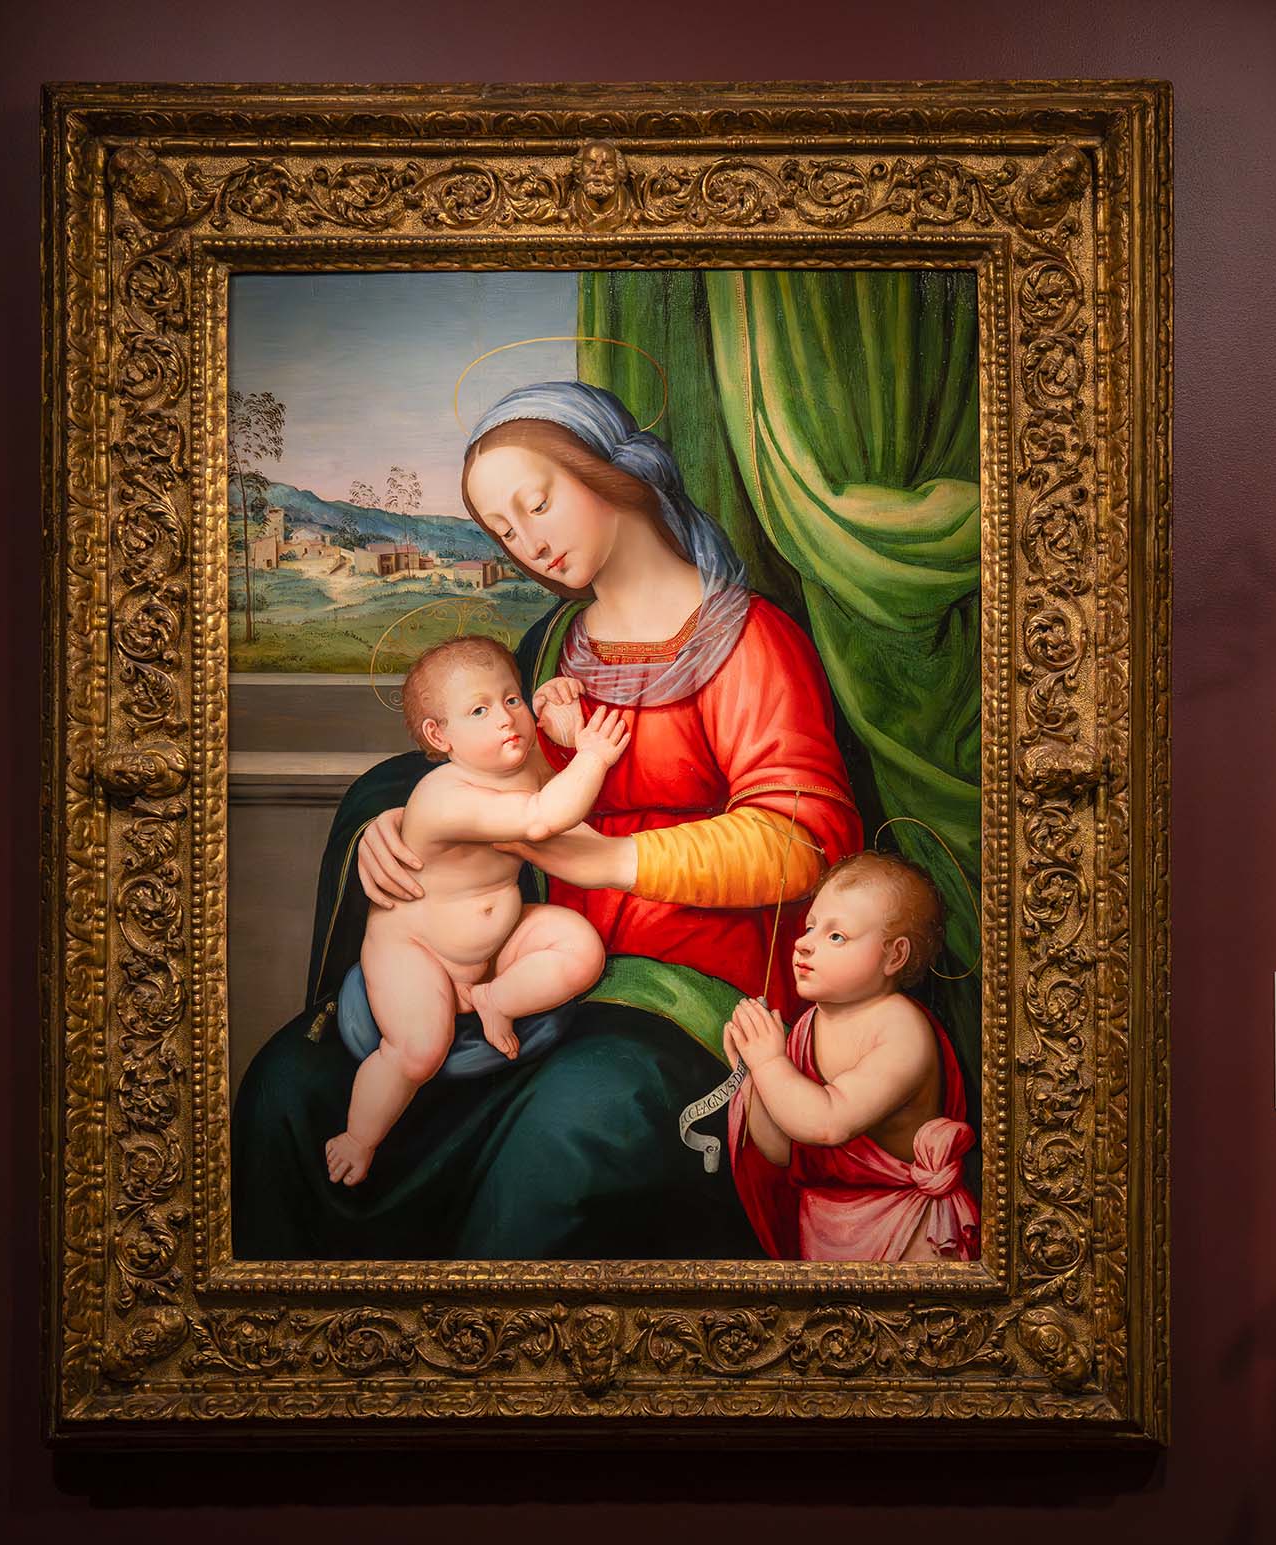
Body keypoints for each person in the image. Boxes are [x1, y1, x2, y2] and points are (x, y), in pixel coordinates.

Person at [231, 380, 862, 1260]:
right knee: (288, 1088)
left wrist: (608, 864)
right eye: (502, 530)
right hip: (526, 952)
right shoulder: (553, 643)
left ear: (611, 472)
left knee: (566, 1132)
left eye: (537, 503)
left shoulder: (748, 641)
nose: (527, 542)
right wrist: (392, 827)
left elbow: (802, 844)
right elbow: (474, 780)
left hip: (688, 991)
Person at [325, 636, 628, 1188]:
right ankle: (359, 1136)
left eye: (512, 700)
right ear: (440, 736)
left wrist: (563, 716)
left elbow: (563, 785)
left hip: (493, 948)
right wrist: (593, 756)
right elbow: (542, 818)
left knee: (580, 947)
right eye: (480, 710)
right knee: (417, 1051)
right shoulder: (443, 797)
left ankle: (495, 999)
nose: (506, 720)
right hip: (420, 953)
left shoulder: (520, 764)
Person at [720, 852, 977, 1262]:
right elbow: (782, 1151)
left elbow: (827, 1124)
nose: (804, 942)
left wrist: (770, 1064)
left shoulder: (901, 1030)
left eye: (836, 936)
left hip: (903, 1231)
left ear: (894, 956)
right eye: (810, 927)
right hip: (825, 1225)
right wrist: (752, 1075)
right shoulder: (806, 1027)